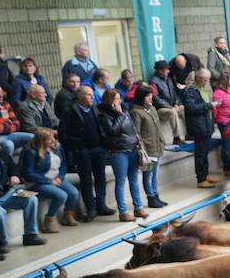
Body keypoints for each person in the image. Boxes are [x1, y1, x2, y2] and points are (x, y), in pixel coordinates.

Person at [59, 86, 111, 222]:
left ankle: (101, 205)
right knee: (86, 181)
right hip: (82, 151)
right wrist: (77, 145)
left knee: (101, 178)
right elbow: (62, 134)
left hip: (98, 149)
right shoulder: (70, 111)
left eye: (92, 95)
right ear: (80, 96)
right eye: (89, 95)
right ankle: (91, 208)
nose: (92, 97)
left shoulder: (95, 108)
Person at [97, 89, 146, 222]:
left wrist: (138, 143)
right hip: (118, 151)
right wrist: (119, 115)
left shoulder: (125, 111)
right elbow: (112, 131)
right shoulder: (103, 115)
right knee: (121, 181)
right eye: (116, 99)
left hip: (132, 149)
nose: (119, 101)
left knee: (134, 179)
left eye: (119, 98)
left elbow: (132, 128)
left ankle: (138, 206)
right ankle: (123, 211)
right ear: (109, 100)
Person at [19, 129, 79, 233]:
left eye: (52, 137)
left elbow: (63, 165)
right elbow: (28, 173)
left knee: (73, 193)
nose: (52, 140)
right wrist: (49, 181)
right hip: (38, 181)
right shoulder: (31, 151)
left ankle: (67, 215)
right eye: (49, 139)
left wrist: (60, 177)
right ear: (41, 140)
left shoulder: (57, 147)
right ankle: (48, 221)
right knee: (61, 195)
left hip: (56, 177)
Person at [129, 86, 167, 209]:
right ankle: (150, 197)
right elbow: (137, 132)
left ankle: (156, 195)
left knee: (155, 174)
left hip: (157, 148)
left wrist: (162, 140)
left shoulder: (152, 108)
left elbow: (158, 127)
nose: (151, 98)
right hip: (148, 151)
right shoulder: (135, 112)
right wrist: (142, 149)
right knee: (148, 175)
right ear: (141, 97)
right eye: (147, 95)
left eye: (151, 95)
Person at [183, 69, 219, 188]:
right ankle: (201, 179)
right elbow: (191, 108)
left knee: (205, 152)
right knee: (200, 153)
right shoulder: (191, 91)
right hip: (199, 127)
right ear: (198, 78)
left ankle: (206, 174)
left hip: (206, 125)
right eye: (205, 80)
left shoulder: (201, 89)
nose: (207, 82)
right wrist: (210, 105)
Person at [149, 60, 186, 146]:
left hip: (172, 105)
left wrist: (176, 103)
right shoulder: (153, 81)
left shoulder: (169, 79)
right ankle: (177, 138)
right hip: (161, 108)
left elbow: (174, 93)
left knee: (184, 109)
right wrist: (170, 107)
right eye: (166, 69)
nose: (169, 71)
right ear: (160, 70)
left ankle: (188, 133)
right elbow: (155, 98)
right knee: (172, 112)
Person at [211, 73, 230, 176]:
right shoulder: (218, 93)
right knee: (226, 145)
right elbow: (216, 109)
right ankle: (227, 167)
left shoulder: (229, 92)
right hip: (223, 122)